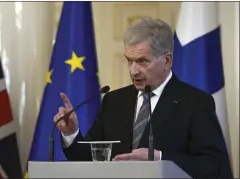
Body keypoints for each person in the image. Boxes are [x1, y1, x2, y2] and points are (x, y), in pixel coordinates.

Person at [53, 17, 232, 179]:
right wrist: (71, 133)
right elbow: (89, 158)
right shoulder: (114, 101)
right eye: (130, 61)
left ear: (167, 61)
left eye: (142, 61)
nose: (133, 71)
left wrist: (160, 158)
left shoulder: (195, 102)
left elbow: (214, 166)